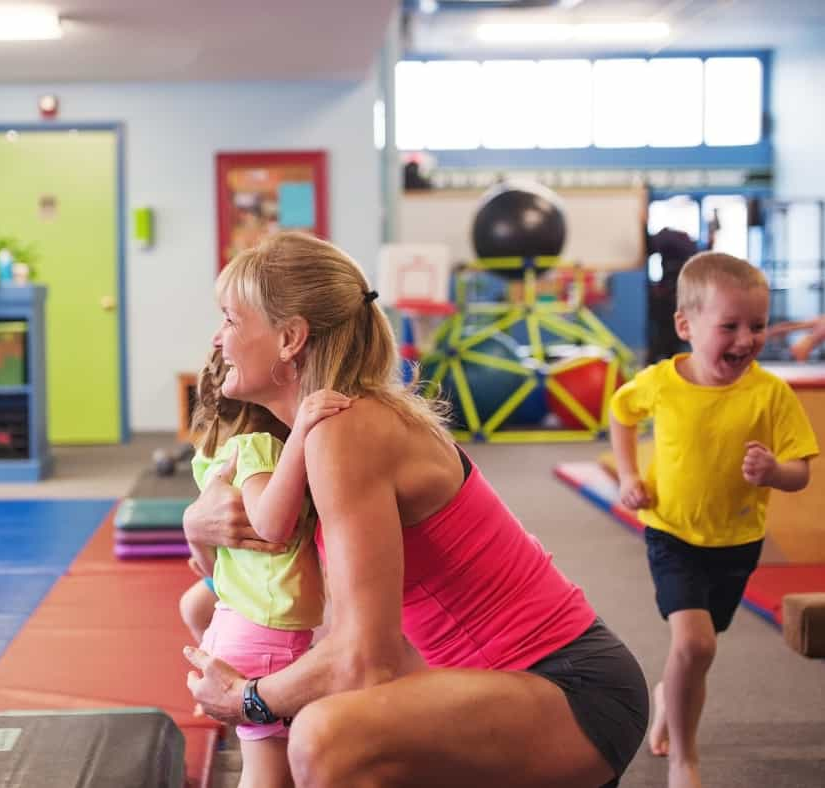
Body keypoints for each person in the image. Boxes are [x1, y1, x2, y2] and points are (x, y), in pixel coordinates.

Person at [181, 230, 648, 788]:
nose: (217, 339)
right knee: (317, 699)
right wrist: (195, 527)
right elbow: (266, 588)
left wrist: (248, 698)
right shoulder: (306, 438)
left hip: (568, 690)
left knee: (324, 735)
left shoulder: (345, 430)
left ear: (290, 338)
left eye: (231, 320)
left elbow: (361, 658)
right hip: (482, 682)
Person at [609, 251, 819, 788]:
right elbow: (621, 412)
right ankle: (685, 758)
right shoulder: (661, 381)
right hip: (671, 533)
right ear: (686, 325)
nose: (747, 340)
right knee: (696, 644)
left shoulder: (770, 394)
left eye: (758, 326)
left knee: (698, 652)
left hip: (738, 540)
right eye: (730, 326)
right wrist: (630, 476)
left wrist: (774, 470)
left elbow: (801, 473)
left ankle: (667, 694)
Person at [183, 344, 352, 788]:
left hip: (238, 620)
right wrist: (299, 437)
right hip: (264, 630)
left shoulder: (210, 458)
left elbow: (207, 561)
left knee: (272, 761)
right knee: (265, 774)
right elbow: (272, 525)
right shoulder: (259, 448)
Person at [646, 226, 700, 365]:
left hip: (670, 298)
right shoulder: (685, 243)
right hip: (673, 297)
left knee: (662, 341)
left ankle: (655, 363)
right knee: (667, 341)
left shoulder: (669, 240)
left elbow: (649, 246)